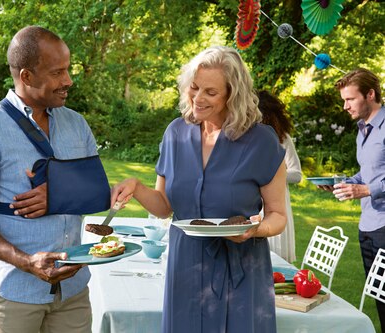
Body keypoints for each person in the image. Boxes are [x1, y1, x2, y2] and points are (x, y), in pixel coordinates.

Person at [112, 46, 287, 333]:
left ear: (233, 94)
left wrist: (256, 229)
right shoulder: (176, 133)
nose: (198, 98)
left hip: (241, 270)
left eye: (211, 92)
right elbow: (165, 205)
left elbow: (278, 214)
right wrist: (136, 188)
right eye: (194, 88)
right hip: (186, 266)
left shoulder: (261, 141)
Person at [0, 26, 95, 333]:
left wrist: (59, 194)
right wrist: (28, 262)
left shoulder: (77, 124)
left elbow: (95, 191)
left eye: (67, 70)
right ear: (27, 76)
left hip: (73, 292)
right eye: (58, 73)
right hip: (13, 294)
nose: (68, 81)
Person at [320, 68, 384, 331]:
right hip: (367, 226)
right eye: (343, 100)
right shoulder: (362, 130)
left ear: (370, 94)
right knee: (380, 297)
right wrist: (347, 182)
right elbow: (369, 172)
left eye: (350, 99)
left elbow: (373, 183)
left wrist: (367, 190)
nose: (345, 106)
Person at [258, 90, 302, 263]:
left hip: (277, 204)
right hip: (253, 207)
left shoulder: (282, 139)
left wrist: (272, 176)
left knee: (278, 260)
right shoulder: (245, 139)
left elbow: (297, 175)